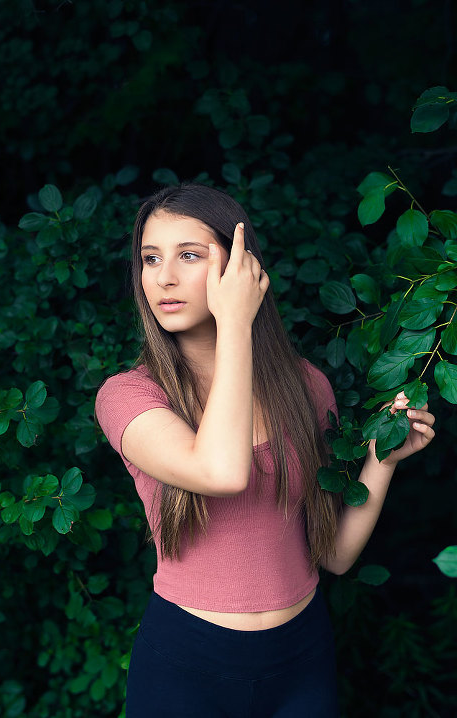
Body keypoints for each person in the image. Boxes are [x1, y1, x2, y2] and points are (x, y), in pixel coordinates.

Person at [95, 183, 435, 717]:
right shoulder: (129, 396)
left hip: (302, 656)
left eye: (189, 255)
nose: (163, 278)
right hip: (188, 665)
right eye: (150, 258)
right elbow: (221, 470)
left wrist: (381, 460)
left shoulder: (307, 388)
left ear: (243, 271)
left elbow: (335, 555)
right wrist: (234, 322)